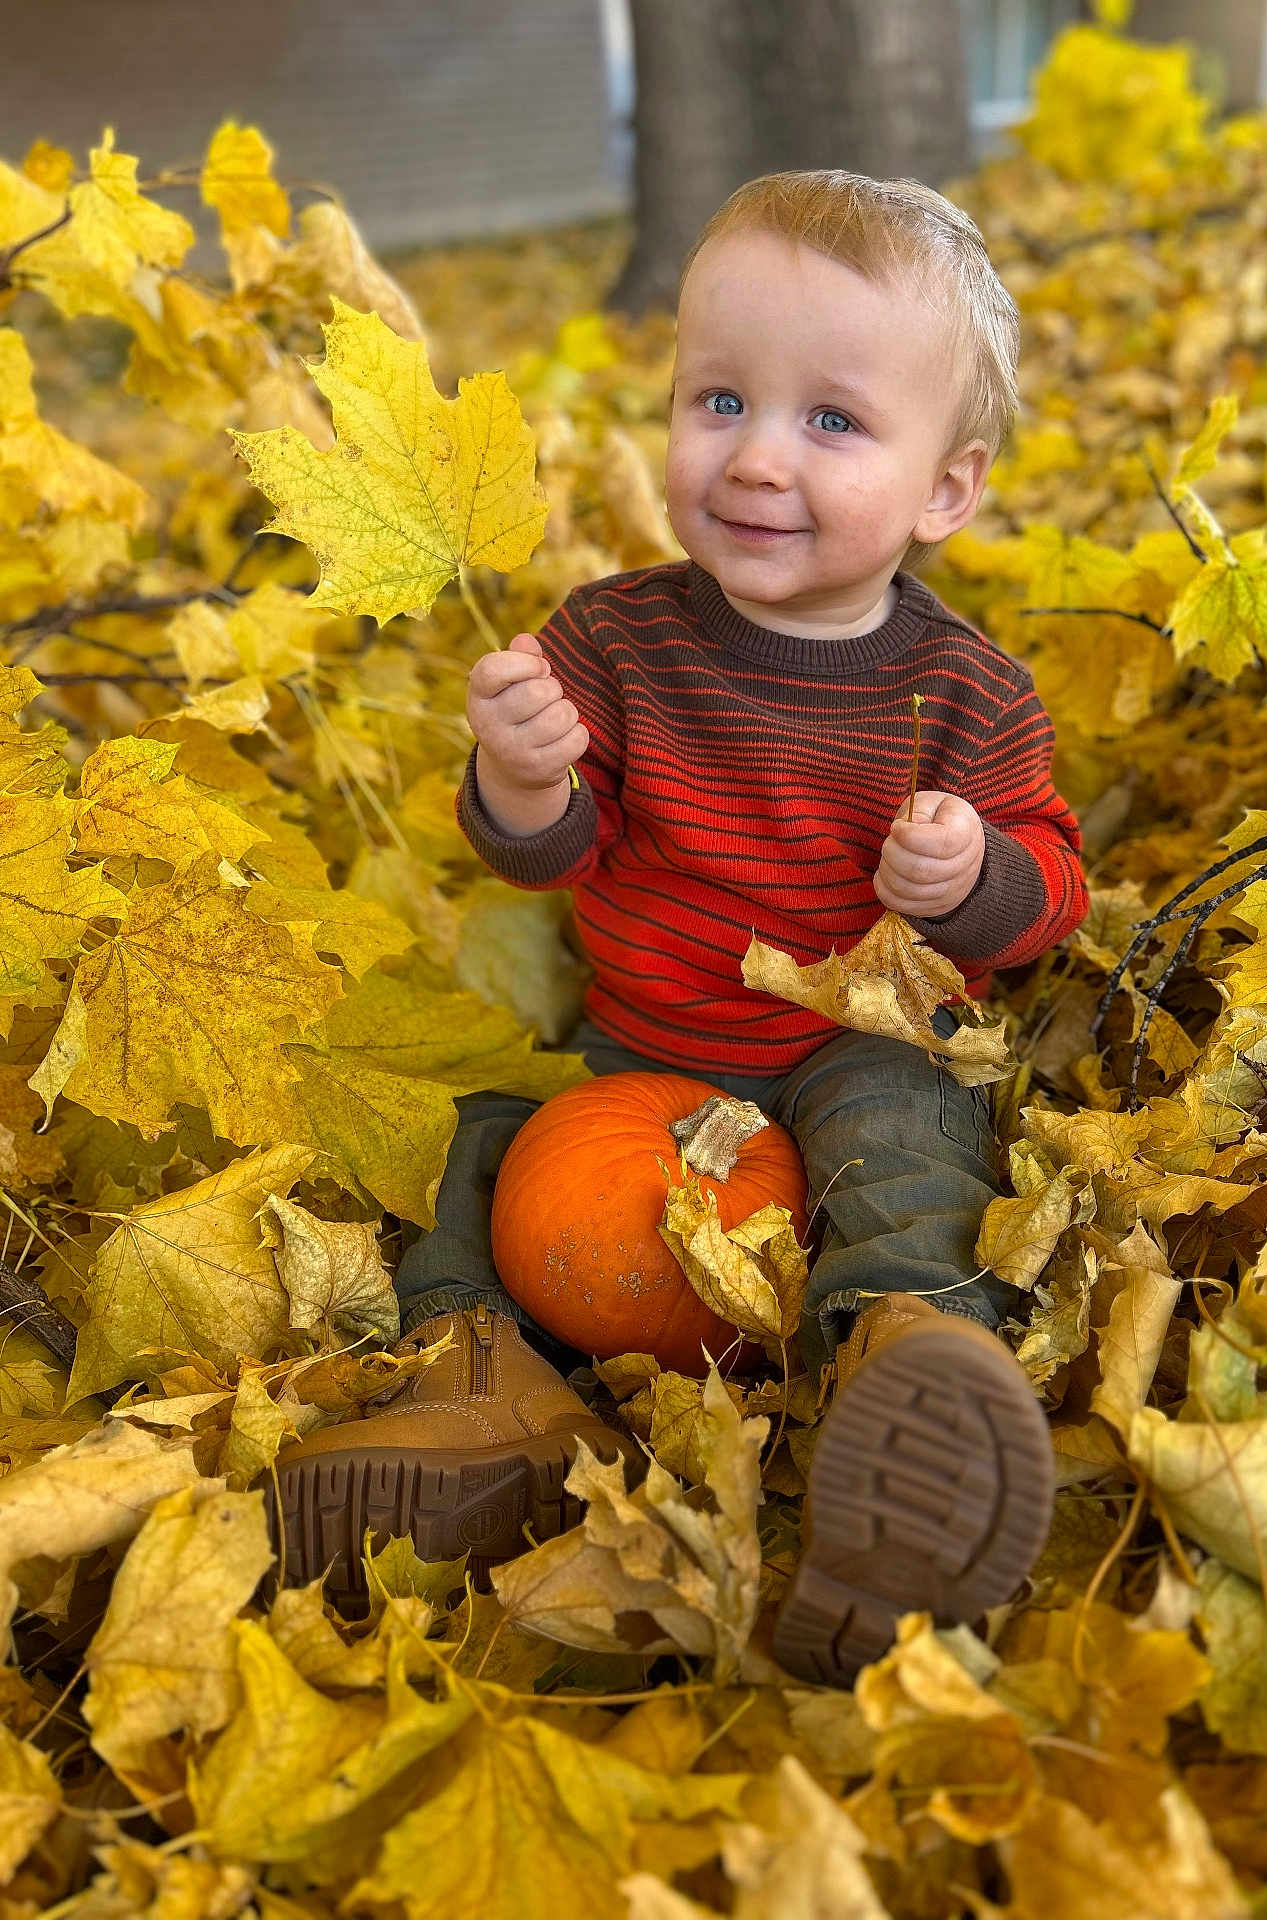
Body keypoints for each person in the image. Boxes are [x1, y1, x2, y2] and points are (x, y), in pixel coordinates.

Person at [270, 169, 1088, 1687]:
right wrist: (524, 777)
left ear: (946, 491)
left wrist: (976, 873)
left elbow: (1052, 888)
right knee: (467, 1144)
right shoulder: (613, 638)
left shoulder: (967, 694)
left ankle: (903, 1366)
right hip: (639, 1058)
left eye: (832, 420)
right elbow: (550, 851)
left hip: (847, 1043)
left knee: (909, 1147)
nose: (758, 456)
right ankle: (482, 1384)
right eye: (721, 400)